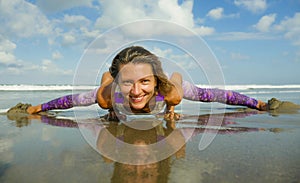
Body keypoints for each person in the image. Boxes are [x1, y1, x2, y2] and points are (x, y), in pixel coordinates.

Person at [20, 46, 267, 120]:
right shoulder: (108, 97)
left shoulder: (169, 93)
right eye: (128, 83)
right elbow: (69, 101)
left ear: (155, 80)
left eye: (145, 82)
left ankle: (165, 76)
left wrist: (256, 103)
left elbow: (215, 95)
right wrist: (38, 108)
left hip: (169, 85)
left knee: (182, 87)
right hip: (111, 88)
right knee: (106, 93)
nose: (137, 92)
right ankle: (112, 77)